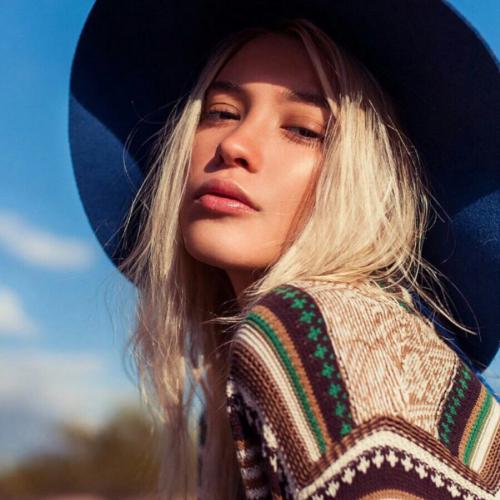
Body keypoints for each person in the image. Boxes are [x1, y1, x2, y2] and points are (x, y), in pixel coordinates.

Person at [69, 2, 500, 498]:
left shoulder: (314, 330)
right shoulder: (228, 411)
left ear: (370, 187)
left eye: (303, 130)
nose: (234, 143)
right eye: (220, 112)